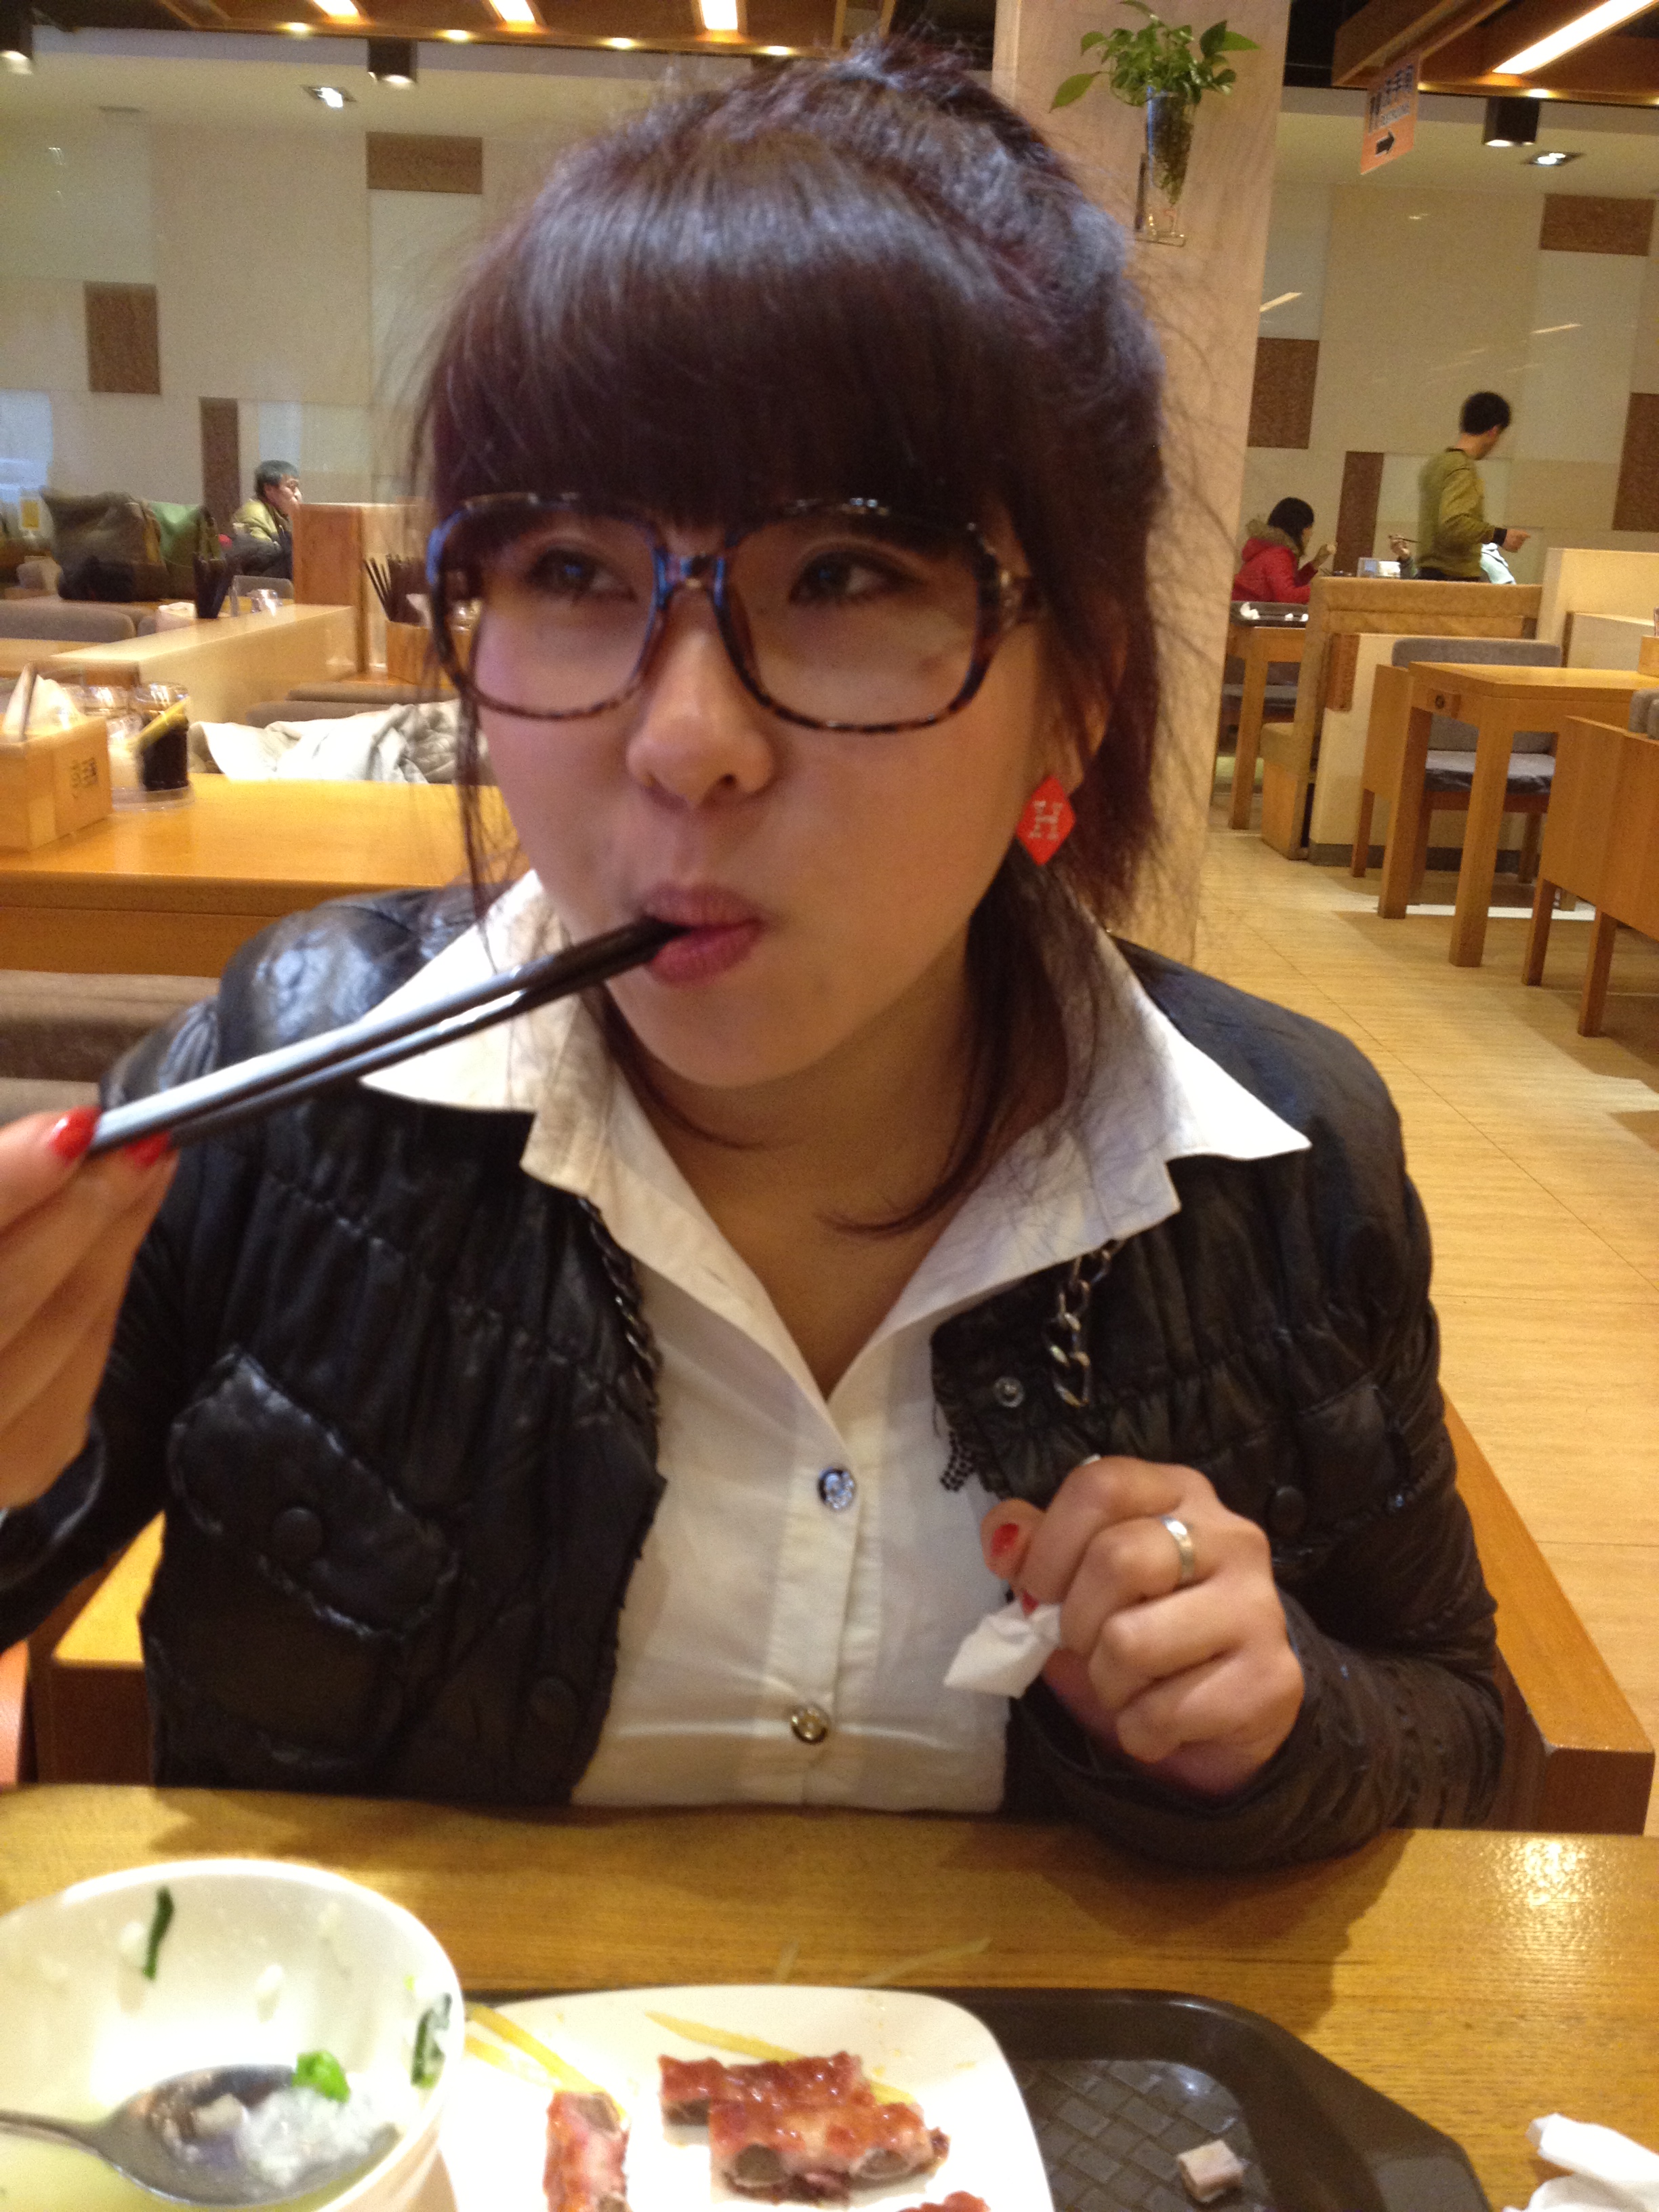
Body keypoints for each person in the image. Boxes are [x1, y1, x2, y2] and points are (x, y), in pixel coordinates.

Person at [0, 45, 1500, 1868]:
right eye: (568, 570)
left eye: (846, 578)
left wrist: (1275, 1718)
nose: (684, 739)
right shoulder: (283, 1093)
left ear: (1078, 696)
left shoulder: (1275, 1172)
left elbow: (1463, 1727)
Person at [1407, 394, 1528, 580]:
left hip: (1428, 576)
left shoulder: (1436, 464)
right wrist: (1500, 536)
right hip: (1452, 580)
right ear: (1494, 431)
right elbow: (1454, 523)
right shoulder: (1462, 467)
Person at [1231, 499, 1332, 604]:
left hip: (1244, 609)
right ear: (1301, 529)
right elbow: (1287, 597)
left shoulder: (1271, 549)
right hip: (1247, 612)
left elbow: (1290, 585)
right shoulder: (1278, 556)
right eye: (1310, 527)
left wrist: (1316, 563)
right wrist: (1325, 588)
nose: (1311, 534)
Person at [230, 461, 301, 579]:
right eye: (292, 487)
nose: (298, 494)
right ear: (268, 489)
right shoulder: (254, 517)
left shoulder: (277, 514)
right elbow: (263, 570)